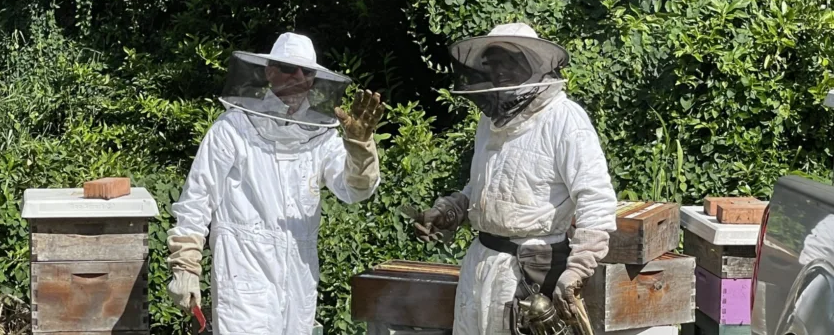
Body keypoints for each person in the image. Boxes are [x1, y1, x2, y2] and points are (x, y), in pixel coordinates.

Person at [164, 32, 385, 334]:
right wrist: (185, 264)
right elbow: (197, 200)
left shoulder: (321, 136)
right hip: (243, 274)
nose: (298, 77)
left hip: (300, 278)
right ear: (269, 72)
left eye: (307, 72)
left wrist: (360, 147)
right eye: (288, 68)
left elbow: (355, 190)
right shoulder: (232, 128)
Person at [408, 23, 617, 335]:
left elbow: (596, 198)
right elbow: (484, 185)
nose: (500, 71)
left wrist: (578, 268)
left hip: (532, 271)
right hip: (481, 265)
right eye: (493, 63)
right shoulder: (489, 122)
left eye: (509, 61)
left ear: (533, 63)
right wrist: (451, 210)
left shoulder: (564, 118)